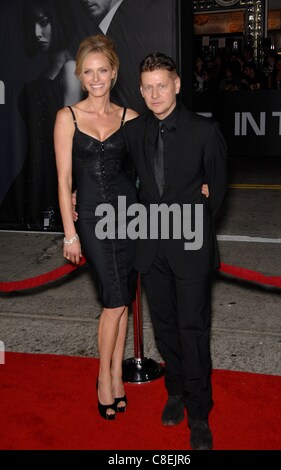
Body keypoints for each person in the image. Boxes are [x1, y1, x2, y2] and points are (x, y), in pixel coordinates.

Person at [124, 53, 228, 450]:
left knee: (194, 330)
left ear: (178, 84)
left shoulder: (205, 131)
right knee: (165, 328)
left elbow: (216, 191)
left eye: (161, 85)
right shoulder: (134, 132)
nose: (154, 94)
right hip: (151, 247)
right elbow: (122, 176)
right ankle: (176, 392)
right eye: (147, 87)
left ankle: (200, 412)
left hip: (190, 245)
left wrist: (196, 219)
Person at [54, 34, 139, 420]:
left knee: (123, 302)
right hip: (90, 219)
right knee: (114, 301)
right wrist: (69, 232)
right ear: (80, 76)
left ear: (114, 72)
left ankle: (118, 375)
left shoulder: (130, 119)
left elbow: (154, 173)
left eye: (102, 70)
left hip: (130, 218)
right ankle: (103, 378)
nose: (96, 78)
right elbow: (63, 179)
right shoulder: (67, 117)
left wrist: (200, 183)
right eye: (88, 72)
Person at [3, 0, 83, 231]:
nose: (37, 33)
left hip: (52, 169)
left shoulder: (69, 69)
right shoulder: (44, 69)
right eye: (33, 24)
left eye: (44, 22)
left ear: (58, 22)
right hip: (35, 167)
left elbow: (69, 136)